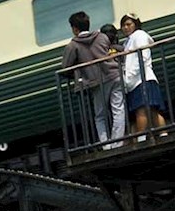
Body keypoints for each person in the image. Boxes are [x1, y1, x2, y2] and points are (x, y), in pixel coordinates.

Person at [60, 9, 122, 144]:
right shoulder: (102, 37)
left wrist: (77, 72)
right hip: (115, 75)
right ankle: (118, 142)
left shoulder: (73, 45)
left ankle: (107, 145)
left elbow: (65, 68)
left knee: (100, 115)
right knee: (118, 109)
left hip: (96, 81)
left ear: (75, 29)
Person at [117, 13, 165, 137]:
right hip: (137, 80)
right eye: (123, 25)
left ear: (136, 24)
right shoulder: (127, 42)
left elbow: (142, 57)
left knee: (142, 111)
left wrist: (130, 76)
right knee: (152, 110)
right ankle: (163, 134)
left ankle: (142, 138)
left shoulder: (139, 35)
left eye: (128, 24)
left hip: (142, 79)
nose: (125, 27)